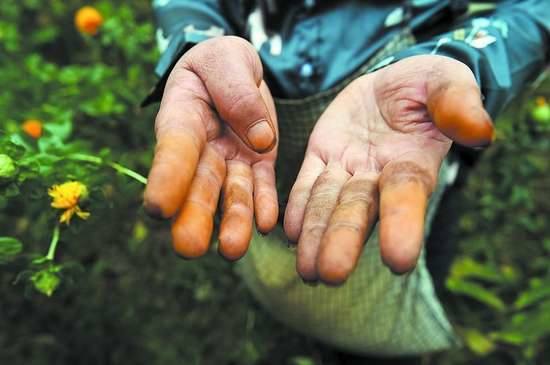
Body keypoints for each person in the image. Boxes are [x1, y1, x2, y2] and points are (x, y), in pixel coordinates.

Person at [142, 0, 550, 359]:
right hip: (255, 113)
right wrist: (198, 41)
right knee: (270, 228)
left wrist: (464, 56)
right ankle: (309, 325)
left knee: (395, 254)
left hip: (407, 128)